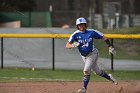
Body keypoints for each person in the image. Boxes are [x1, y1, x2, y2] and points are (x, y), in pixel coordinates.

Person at [65, 17, 118, 93]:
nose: (81, 26)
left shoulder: (91, 32)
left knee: (86, 70)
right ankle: (110, 77)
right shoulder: (75, 34)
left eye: (83, 24)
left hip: (93, 53)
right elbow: (67, 45)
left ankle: (84, 89)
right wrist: (73, 45)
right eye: (79, 25)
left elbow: (104, 37)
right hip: (84, 56)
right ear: (77, 26)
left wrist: (110, 46)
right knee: (97, 72)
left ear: (85, 25)